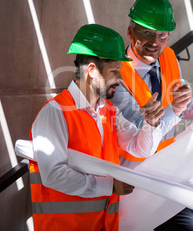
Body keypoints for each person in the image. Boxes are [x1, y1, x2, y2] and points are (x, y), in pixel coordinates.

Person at [109, 0, 193, 231]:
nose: (155, 42)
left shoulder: (169, 59)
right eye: (147, 33)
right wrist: (175, 108)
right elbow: (144, 133)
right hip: (132, 183)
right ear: (130, 32)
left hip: (165, 177)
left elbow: (179, 109)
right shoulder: (115, 73)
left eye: (162, 34)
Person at [28, 24, 164, 231]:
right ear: (92, 70)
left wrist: (151, 123)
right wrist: (109, 186)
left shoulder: (108, 110)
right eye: (115, 71)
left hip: (102, 225)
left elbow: (140, 148)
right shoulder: (55, 112)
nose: (120, 79)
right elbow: (53, 174)